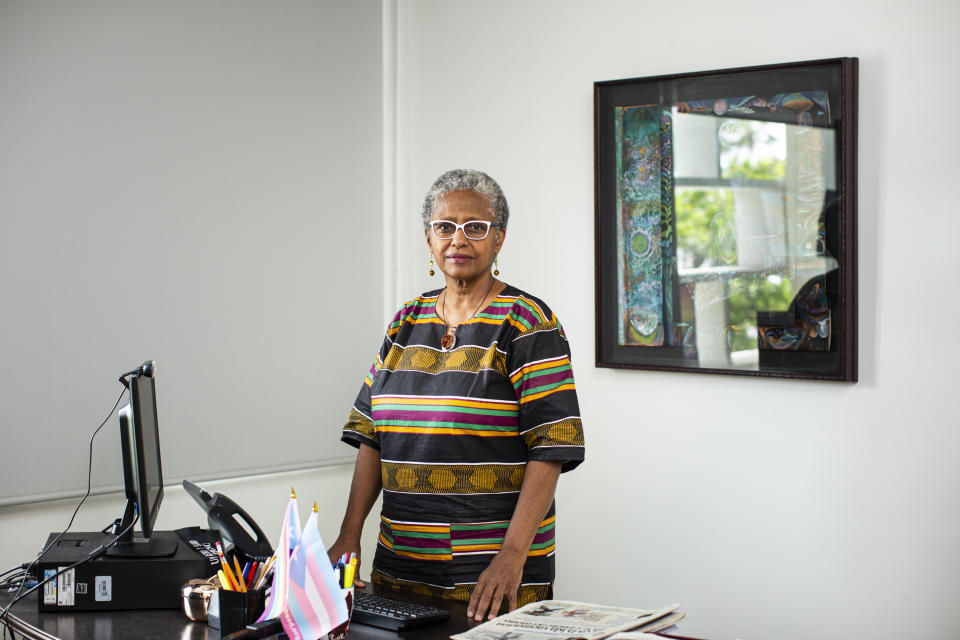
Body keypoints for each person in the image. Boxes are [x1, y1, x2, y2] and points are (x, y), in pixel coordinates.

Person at [328, 169, 584, 621]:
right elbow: (372, 435)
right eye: (445, 227)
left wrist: (512, 557)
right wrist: (350, 535)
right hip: (400, 568)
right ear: (429, 239)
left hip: (491, 578)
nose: (458, 239)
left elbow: (551, 448)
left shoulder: (527, 323)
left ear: (498, 238)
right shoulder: (405, 321)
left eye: (476, 227)